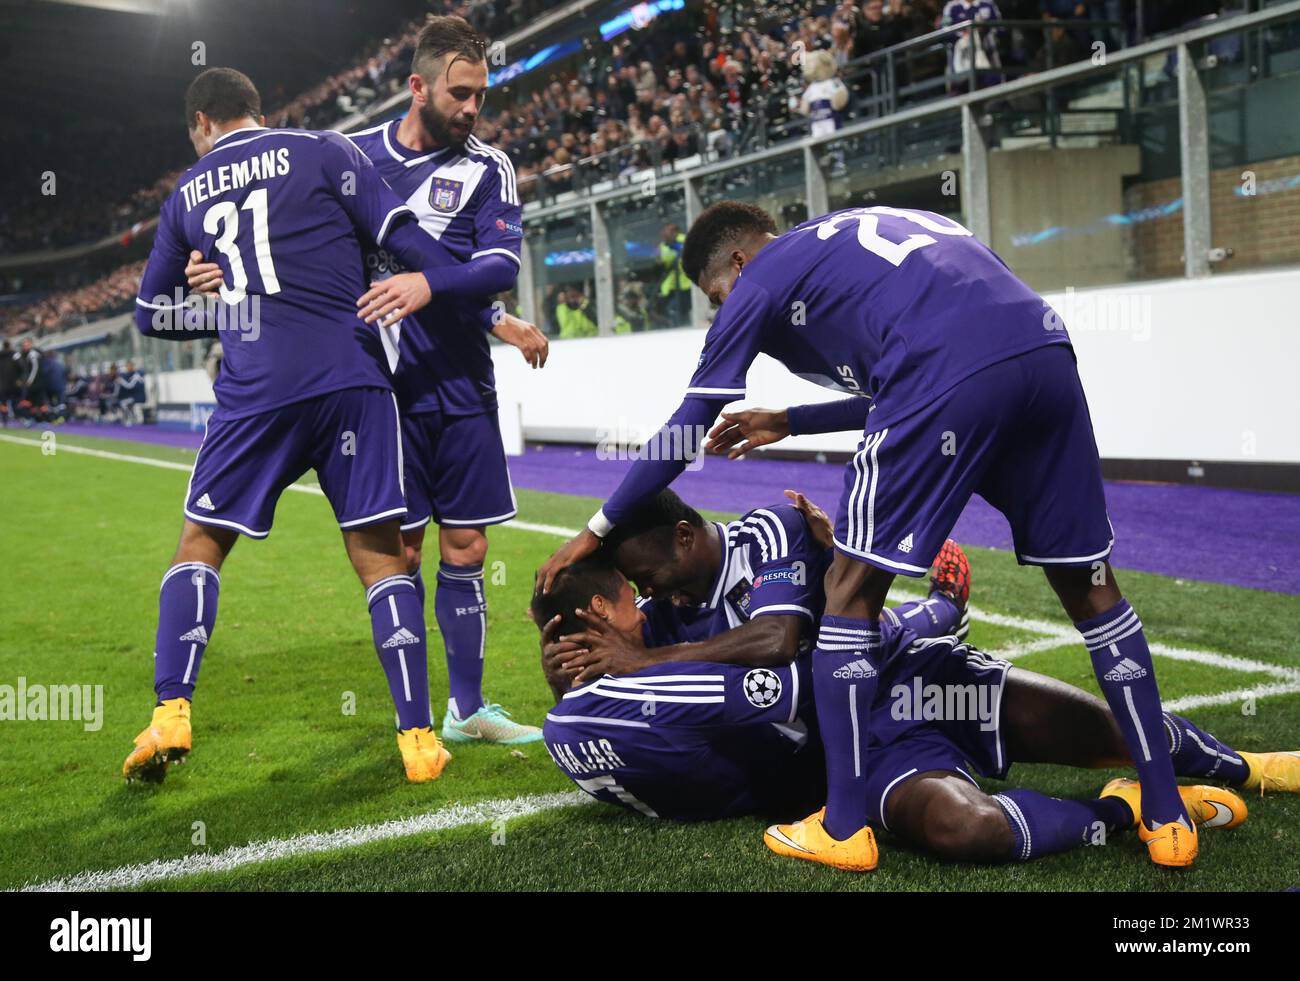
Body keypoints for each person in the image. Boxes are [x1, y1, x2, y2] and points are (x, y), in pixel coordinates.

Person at [537, 200, 1198, 871]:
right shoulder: (867, 234)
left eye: (716, 296)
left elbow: (692, 420)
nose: (722, 311)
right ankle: (1167, 811)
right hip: (1044, 350)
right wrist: (794, 418)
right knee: (1092, 590)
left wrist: (598, 527)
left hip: (942, 366)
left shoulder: (763, 276)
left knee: (850, 590)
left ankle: (845, 826)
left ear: (737, 261)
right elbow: (956, 351)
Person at [188, 16, 549, 745]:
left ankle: (469, 708)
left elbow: (500, 265)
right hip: (380, 388)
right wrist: (223, 272)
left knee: (469, 546)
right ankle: (412, 708)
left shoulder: (490, 167)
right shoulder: (348, 159)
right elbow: (286, 248)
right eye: (460, 94)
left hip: (461, 384)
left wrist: (457, 298)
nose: (473, 109)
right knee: (402, 550)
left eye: (481, 95)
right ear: (417, 86)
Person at [124, 66, 465, 786]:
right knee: (380, 558)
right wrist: (460, 292)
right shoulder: (326, 150)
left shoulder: (186, 194)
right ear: (257, 110)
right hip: (353, 380)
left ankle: (171, 711)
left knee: (199, 543)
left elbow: (151, 315)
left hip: (256, 392)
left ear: (201, 126)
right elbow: (404, 237)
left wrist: (217, 307)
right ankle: (417, 739)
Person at [532, 556, 1298, 864]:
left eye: (652, 581)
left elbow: (801, 646)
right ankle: (1123, 811)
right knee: (965, 826)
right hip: (864, 751)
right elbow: (798, 684)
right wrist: (934, 609)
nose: (656, 599)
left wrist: (931, 616)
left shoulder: (766, 539)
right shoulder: (646, 653)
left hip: (913, 681)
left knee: (1103, 728)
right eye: (637, 594)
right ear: (600, 613)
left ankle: (1247, 764)